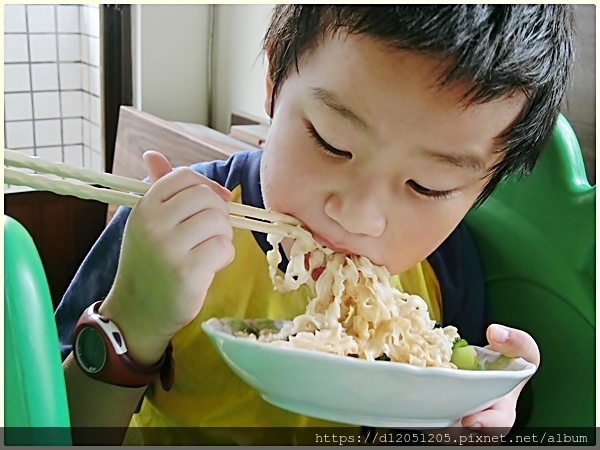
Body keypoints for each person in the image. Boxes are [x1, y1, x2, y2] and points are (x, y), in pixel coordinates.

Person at [55, 5, 575, 445]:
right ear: (274, 85)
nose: (358, 216)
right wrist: (133, 324)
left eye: (428, 186)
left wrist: (472, 414)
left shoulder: (445, 269)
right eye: (332, 142)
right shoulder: (173, 225)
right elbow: (55, 425)